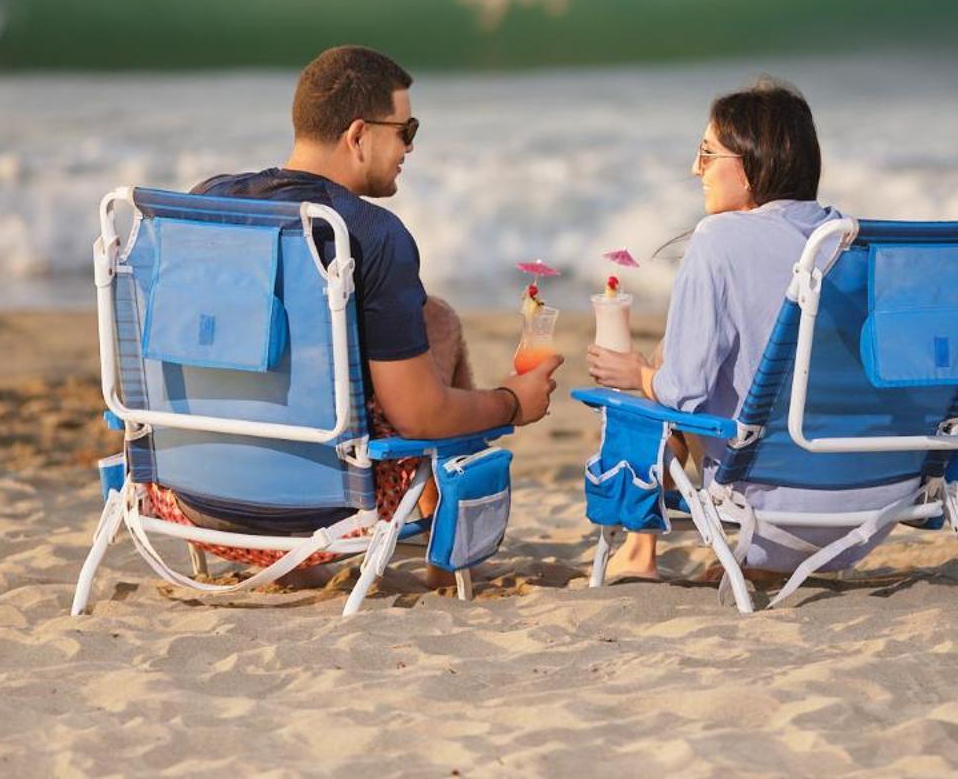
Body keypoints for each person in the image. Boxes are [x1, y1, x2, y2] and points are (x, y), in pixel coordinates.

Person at [146, 44, 561, 555]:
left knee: (414, 316)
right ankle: (449, 548)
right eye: (405, 132)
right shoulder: (368, 235)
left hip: (188, 501)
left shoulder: (206, 200)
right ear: (359, 135)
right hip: (321, 515)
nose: (410, 148)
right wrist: (513, 403)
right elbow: (419, 416)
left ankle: (309, 549)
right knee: (439, 322)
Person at [585, 79, 916, 583]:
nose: (695, 169)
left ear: (750, 164)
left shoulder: (719, 240)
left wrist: (637, 374)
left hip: (774, 506)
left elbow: (685, 394)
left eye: (706, 153)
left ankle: (637, 552)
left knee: (656, 382)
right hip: (875, 501)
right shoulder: (846, 240)